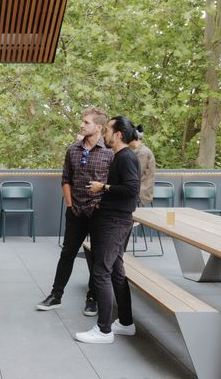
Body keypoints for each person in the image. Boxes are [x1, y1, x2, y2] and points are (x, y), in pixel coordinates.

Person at [37, 107, 112, 316]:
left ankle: (92, 298)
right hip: (75, 212)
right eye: (82, 121)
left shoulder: (110, 152)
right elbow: (66, 179)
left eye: (86, 122)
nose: (81, 125)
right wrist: (70, 205)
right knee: (67, 253)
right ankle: (55, 296)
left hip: (98, 213)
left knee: (97, 257)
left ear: (99, 127)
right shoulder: (72, 150)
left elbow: (113, 184)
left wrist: (101, 205)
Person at [75, 115, 142, 344]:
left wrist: (103, 187)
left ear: (118, 134)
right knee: (116, 272)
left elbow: (132, 190)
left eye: (108, 130)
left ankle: (104, 330)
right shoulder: (120, 156)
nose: (105, 134)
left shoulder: (126, 158)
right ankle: (125, 323)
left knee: (101, 272)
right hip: (114, 219)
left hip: (115, 222)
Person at [131, 125, 156, 205]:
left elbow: (136, 173)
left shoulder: (142, 152)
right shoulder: (139, 151)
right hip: (138, 189)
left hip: (141, 192)